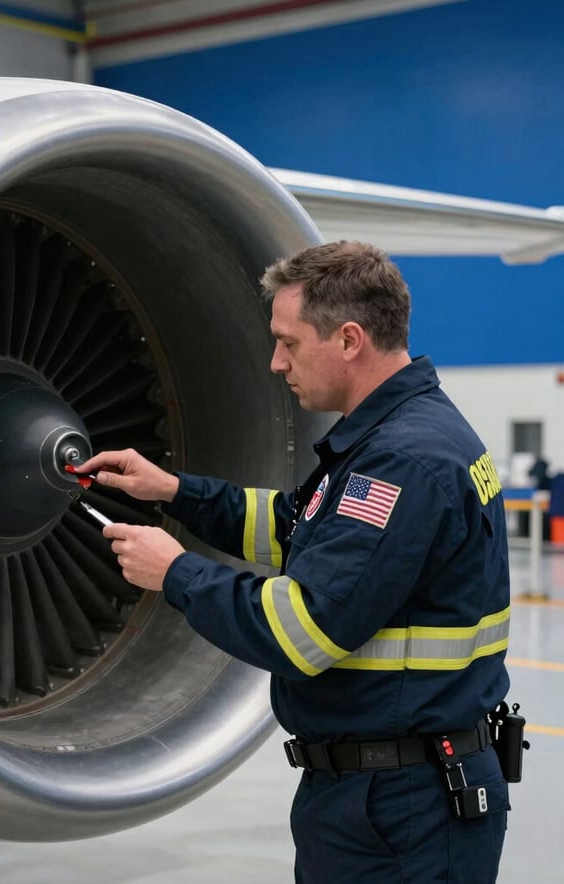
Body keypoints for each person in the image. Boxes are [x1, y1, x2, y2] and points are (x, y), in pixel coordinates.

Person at [74, 241, 512, 884]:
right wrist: (172, 490)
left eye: (289, 342)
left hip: (400, 810)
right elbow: (299, 530)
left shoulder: (400, 462)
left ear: (349, 340)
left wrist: (175, 572)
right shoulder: (404, 435)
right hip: (394, 791)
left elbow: (303, 632)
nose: (276, 362)